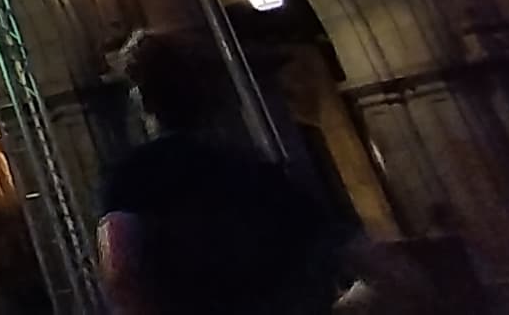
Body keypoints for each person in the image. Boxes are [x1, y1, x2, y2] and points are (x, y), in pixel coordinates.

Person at [96, 29, 342, 315]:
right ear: (215, 96)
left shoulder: (131, 177)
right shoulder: (257, 173)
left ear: (142, 100)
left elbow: (121, 271)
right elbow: (336, 252)